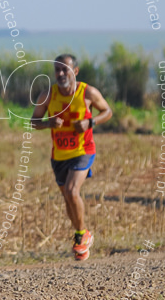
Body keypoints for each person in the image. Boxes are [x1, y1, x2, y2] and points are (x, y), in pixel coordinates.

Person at [31, 54, 112, 261]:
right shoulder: (48, 95)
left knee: (71, 190)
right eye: (57, 70)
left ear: (75, 71)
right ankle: (82, 235)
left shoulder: (88, 92)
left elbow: (107, 111)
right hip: (58, 155)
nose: (60, 74)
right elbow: (34, 121)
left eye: (64, 69)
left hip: (83, 151)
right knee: (67, 197)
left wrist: (90, 122)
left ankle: (81, 235)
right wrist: (49, 123)